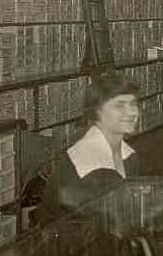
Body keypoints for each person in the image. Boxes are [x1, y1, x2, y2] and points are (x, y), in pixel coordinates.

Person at [41, 73, 142, 221]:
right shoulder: (82, 163)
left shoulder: (129, 155)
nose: (132, 112)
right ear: (97, 111)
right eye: (120, 105)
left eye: (133, 103)